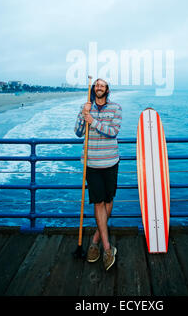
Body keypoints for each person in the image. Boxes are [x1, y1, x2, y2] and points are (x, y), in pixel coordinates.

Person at [74, 78, 122, 270]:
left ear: (107, 89)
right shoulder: (85, 107)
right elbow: (78, 133)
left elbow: (113, 132)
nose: (99, 87)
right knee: (98, 202)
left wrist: (93, 121)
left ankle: (95, 239)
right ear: (94, 89)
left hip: (111, 161)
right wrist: (83, 115)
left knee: (108, 201)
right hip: (92, 163)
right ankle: (107, 248)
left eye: (102, 85)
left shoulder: (116, 108)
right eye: (96, 85)